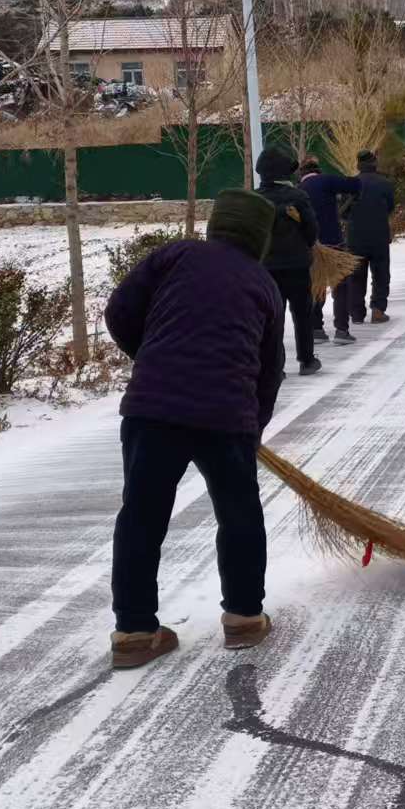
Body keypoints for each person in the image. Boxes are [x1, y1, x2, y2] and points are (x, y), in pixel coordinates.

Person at [103, 189, 281, 669]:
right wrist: (253, 426)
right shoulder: (263, 284)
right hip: (226, 415)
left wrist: (155, 358)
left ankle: (135, 632)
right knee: (239, 513)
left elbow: (119, 312)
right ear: (260, 237)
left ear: (216, 224)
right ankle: (244, 618)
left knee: (141, 515)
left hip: (152, 409)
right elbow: (269, 369)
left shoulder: (174, 255)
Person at [254, 148, 321, 376]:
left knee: (273, 318)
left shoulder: (254, 200)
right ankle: (307, 360)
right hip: (297, 266)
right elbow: (312, 231)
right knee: (302, 314)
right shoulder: (298, 197)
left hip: (266, 269)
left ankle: (275, 366)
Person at [300, 157, 360, 344]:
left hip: (310, 246)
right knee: (340, 285)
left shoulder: (298, 190)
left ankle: (316, 328)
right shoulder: (325, 180)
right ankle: (341, 329)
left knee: (315, 284)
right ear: (318, 170)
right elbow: (355, 184)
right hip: (333, 243)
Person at [342, 149, 396, 325]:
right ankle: (378, 310)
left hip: (355, 237)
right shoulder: (385, 183)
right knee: (380, 273)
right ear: (375, 164)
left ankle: (357, 313)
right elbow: (390, 207)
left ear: (358, 164)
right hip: (379, 235)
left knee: (356, 275)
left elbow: (343, 212)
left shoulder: (350, 184)